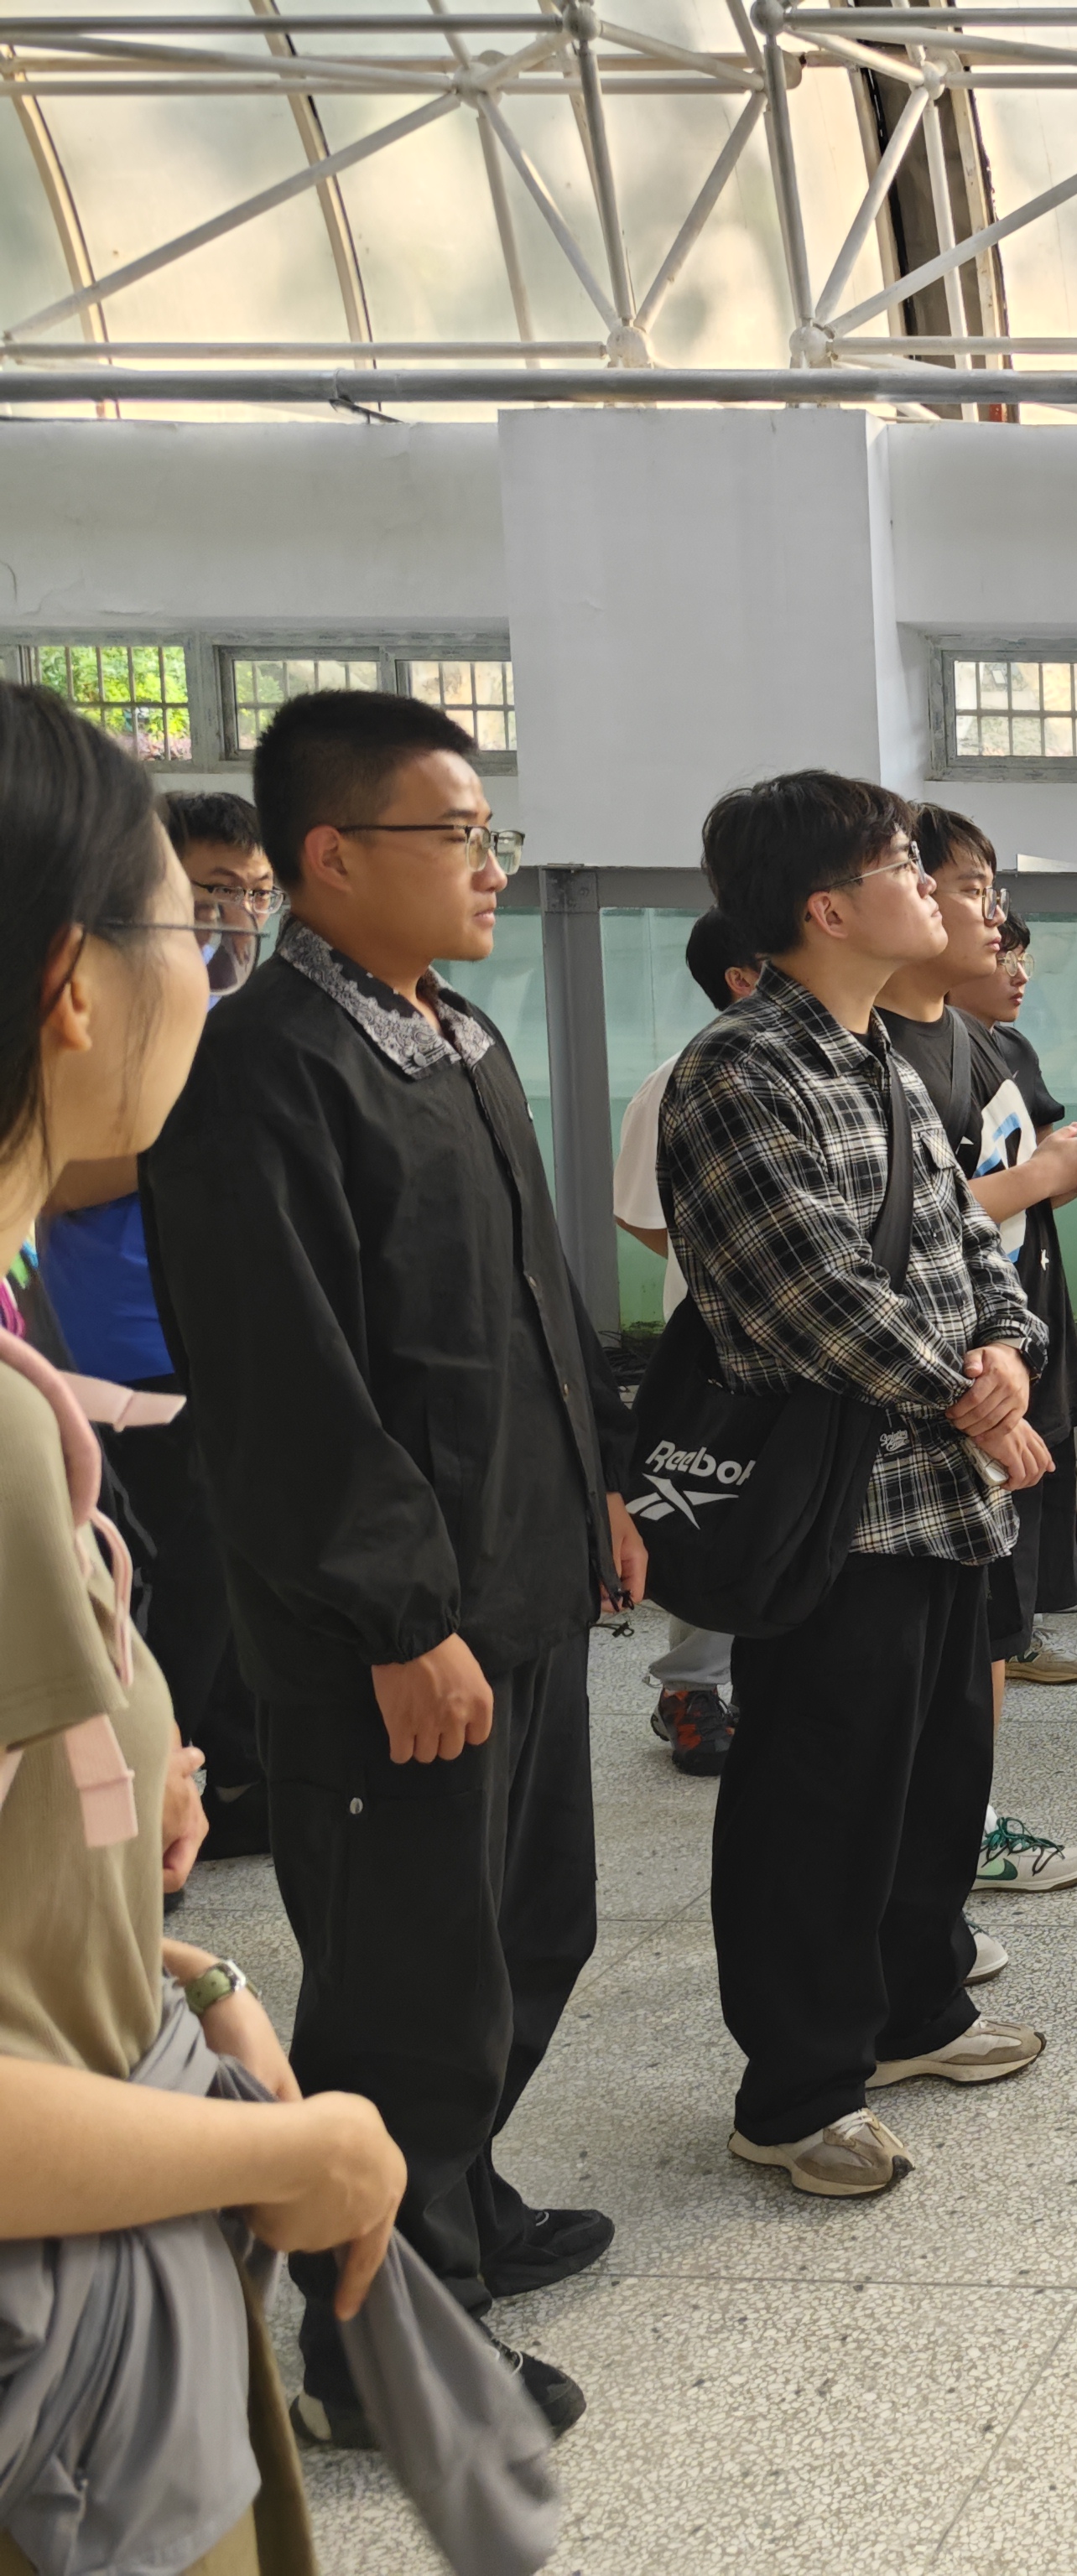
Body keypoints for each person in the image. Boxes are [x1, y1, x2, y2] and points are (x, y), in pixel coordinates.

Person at [138, 688, 634, 2446]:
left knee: (529, 1932)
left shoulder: (457, 1036)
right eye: (460, 835)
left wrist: (600, 1488)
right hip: (395, 1632)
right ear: (332, 857)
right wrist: (399, 1618)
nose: (493, 865)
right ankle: (375, 2346)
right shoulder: (260, 1072)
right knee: (408, 1984)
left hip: (521, 1584)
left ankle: (458, 2196)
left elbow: (534, 1301)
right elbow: (284, 1388)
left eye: (492, 831)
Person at [0, 680, 408, 2575]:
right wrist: (286, 2148)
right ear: (70, 986)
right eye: (191, 926)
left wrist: (169, 1965)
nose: (214, 972)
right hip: (57, 2362)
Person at [664, 771, 1050, 2201]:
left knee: (937, 1777)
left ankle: (911, 2011)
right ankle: (798, 2088)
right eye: (902, 864)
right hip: (836, 1509)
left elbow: (966, 1242)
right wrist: (965, 1390)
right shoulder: (740, 1070)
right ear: (828, 908)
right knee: (818, 1801)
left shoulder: (879, 1055)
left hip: (941, 1500)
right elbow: (802, 1285)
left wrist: (1005, 1346)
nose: (931, 887)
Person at [878, 807, 1077, 1905]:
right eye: (971, 887)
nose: (996, 919)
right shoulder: (851, 1056)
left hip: (1003, 1369)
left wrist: (1074, 1170)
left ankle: (954, 1831)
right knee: (918, 1651)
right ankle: (930, 1849)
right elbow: (897, 1234)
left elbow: (1001, 1201)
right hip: (927, 1403)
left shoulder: (982, 1045)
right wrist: (1040, 1179)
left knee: (986, 1628)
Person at [34, 790, 276, 1853]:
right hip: (132, 1354)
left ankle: (234, 1774)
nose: (239, 918)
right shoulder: (108, 1024)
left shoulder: (244, 1020)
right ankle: (171, 1787)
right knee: (182, 1576)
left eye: (257, 895)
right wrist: (197, 1123)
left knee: (241, 1568)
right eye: (214, 892)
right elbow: (56, 1180)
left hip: (232, 1337)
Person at [947, 906, 1077, 1687]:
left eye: (1021, 953)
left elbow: (1028, 1186)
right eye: (1002, 952)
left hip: (1025, 1307)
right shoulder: (916, 1055)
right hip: (973, 1336)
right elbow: (937, 1211)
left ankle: (1015, 1635)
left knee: (1036, 1483)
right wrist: (1050, 1173)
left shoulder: (1009, 1048)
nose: (1016, 970)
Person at [612, 906, 762, 1776]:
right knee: (710, 1509)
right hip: (716, 1351)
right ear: (742, 979)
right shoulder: (678, 1079)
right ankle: (691, 1690)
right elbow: (640, 1214)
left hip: (827, 1353)